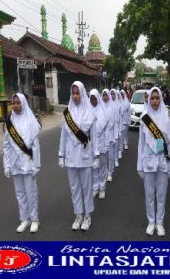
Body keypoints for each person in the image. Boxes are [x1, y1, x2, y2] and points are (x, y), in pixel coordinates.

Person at [58, 81, 98, 231]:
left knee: (86, 188)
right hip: (71, 156)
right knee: (74, 188)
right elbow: (63, 136)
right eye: (73, 93)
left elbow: (94, 136)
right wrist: (61, 155)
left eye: (77, 93)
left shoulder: (90, 113)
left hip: (85, 155)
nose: (75, 96)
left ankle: (88, 216)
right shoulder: (67, 114)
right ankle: (78, 214)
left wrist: (97, 155)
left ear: (82, 94)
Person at [137, 87, 170, 237]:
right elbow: (141, 144)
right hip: (148, 161)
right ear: (149, 99)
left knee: (161, 195)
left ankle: (160, 222)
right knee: (149, 195)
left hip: (163, 161)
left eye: (157, 98)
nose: (154, 101)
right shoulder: (144, 118)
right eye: (152, 98)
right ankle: (151, 221)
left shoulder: (166, 118)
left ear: (160, 99)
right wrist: (139, 165)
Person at [3, 93, 41, 233]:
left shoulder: (30, 121)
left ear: (23, 103)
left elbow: (36, 146)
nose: (16, 105)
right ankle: (24, 219)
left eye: (18, 103)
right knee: (20, 193)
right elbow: (6, 146)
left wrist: (36, 164)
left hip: (29, 163)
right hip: (15, 164)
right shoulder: (9, 123)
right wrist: (6, 165)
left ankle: (35, 219)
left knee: (31, 192)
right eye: (14, 103)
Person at [90, 89, 109, 199]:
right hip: (91, 145)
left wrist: (106, 144)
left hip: (101, 144)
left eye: (95, 99)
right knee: (93, 168)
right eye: (91, 99)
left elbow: (106, 130)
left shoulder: (103, 112)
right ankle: (95, 187)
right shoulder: (87, 111)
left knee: (102, 167)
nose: (93, 101)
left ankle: (102, 188)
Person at [102, 89, 116, 182]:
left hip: (110, 136)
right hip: (102, 137)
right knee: (103, 157)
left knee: (110, 156)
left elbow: (114, 122)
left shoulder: (113, 107)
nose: (105, 97)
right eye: (103, 95)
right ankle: (104, 172)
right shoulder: (100, 107)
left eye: (106, 95)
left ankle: (110, 172)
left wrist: (115, 136)